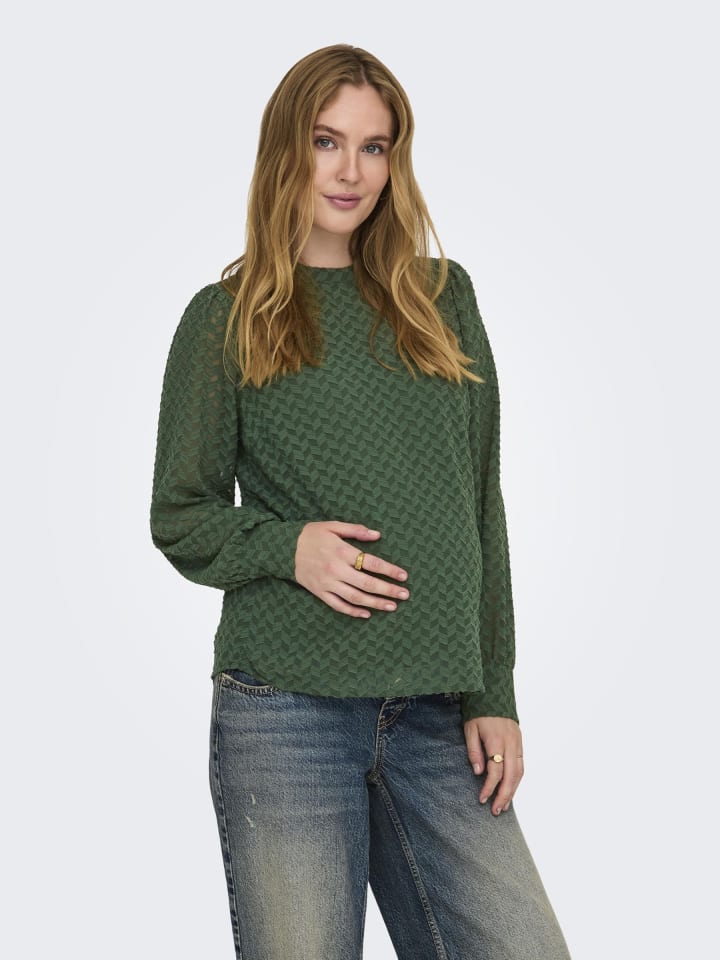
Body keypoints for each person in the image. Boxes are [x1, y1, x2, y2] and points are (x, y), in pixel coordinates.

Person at [150, 43, 571, 960]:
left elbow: (479, 502)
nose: (350, 171)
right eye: (326, 141)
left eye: (374, 147)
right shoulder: (224, 320)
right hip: (286, 714)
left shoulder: (442, 298)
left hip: (437, 713)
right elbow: (180, 513)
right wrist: (288, 546)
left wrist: (493, 691)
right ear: (285, 150)